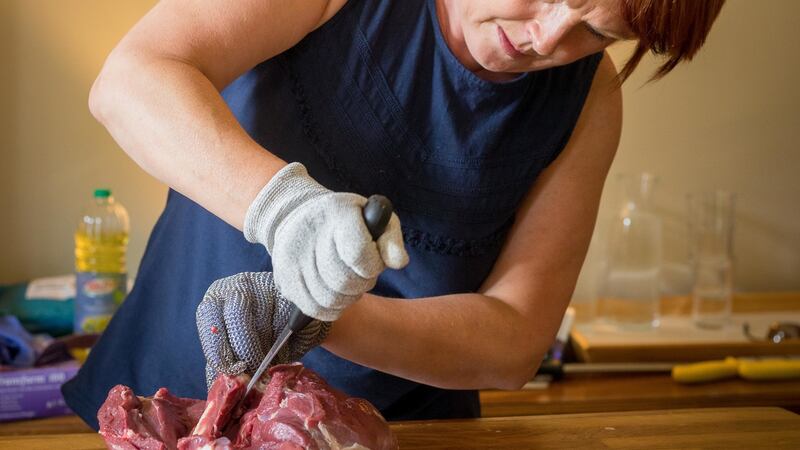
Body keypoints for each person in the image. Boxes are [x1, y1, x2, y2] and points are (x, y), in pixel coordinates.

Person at [63, 0, 726, 428]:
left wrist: (325, 315)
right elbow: (132, 80)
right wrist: (288, 214)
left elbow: (515, 340)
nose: (546, 36)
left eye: (595, 31)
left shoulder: (588, 102)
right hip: (170, 405)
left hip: (396, 433)